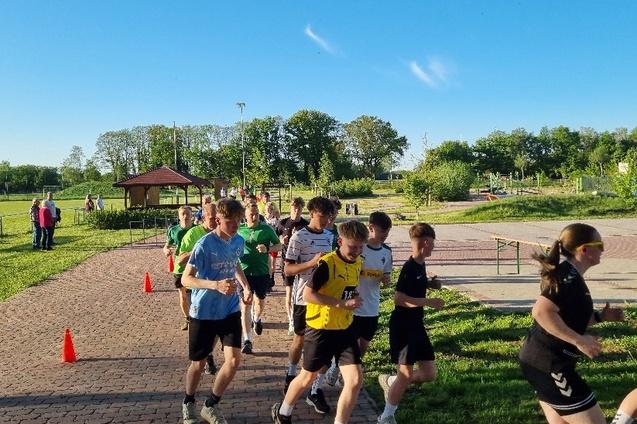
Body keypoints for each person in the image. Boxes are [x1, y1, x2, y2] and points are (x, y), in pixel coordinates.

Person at [518, 223, 624, 424]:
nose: (603, 250)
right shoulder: (568, 277)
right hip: (550, 365)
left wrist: (601, 316)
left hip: (543, 362)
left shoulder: (572, 275)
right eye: (600, 245)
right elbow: (541, 311)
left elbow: (567, 317)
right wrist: (579, 340)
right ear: (584, 250)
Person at [272, 220, 368, 424]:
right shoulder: (327, 264)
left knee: (355, 380)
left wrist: (353, 296)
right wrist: (341, 303)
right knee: (307, 377)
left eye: (361, 247)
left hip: (345, 328)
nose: (357, 252)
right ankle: (283, 412)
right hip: (321, 329)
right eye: (353, 247)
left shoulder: (359, 262)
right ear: (340, 241)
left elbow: (347, 287)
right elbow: (308, 295)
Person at [181, 199, 253, 424]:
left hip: (229, 309)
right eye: (230, 222)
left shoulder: (238, 240)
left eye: (238, 221)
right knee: (199, 363)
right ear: (218, 220)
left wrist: (245, 286)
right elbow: (186, 279)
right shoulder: (204, 244)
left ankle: (210, 405)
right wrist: (215, 285)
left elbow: (234, 262)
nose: (235, 226)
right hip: (204, 312)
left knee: (233, 361)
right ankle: (188, 402)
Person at [377, 222, 444, 424]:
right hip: (403, 326)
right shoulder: (409, 267)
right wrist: (428, 302)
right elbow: (398, 298)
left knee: (429, 374)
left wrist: (430, 284)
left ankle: (391, 381)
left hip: (417, 325)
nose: (434, 247)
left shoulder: (420, 264)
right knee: (405, 374)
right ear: (426, 243)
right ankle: (386, 417)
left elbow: (415, 285)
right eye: (433, 243)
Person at [326, 211, 394, 387]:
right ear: (371, 228)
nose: (385, 235)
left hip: (372, 306)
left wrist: (386, 279)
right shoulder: (359, 248)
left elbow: (386, 274)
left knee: (363, 346)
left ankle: (342, 369)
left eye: (387, 232)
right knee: (349, 344)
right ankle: (338, 368)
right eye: (382, 231)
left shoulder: (387, 252)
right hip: (352, 305)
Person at [282, 196, 336, 414]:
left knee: (324, 345)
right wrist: (312, 263)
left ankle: (315, 390)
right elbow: (288, 270)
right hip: (303, 299)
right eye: (323, 216)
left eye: (329, 217)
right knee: (300, 339)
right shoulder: (299, 236)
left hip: (324, 299)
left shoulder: (330, 236)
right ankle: (291, 373)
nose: (326, 221)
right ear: (312, 213)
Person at [178, 203, 219, 376]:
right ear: (203, 218)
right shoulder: (193, 234)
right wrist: (195, 251)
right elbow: (180, 259)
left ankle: (208, 352)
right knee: (203, 328)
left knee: (217, 328)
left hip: (218, 288)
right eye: (212, 219)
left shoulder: (222, 233)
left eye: (218, 218)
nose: (216, 222)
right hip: (198, 289)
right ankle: (203, 356)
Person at [237, 203, 282, 354]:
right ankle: (247, 340)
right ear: (245, 215)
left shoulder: (266, 229)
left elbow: (279, 245)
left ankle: (257, 318)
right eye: (251, 214)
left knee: (260, 301)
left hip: (261, 272)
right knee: (245, 305)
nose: (254, 216)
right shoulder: (239, 230)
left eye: (256, 214)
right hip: (244, 273)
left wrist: (267, 249)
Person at [276, 197, 309, 335]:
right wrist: (281, 240)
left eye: (299, 208)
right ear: (290, 208)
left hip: (301, 264)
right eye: (294, 208)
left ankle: (301, 320)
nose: (296, 211)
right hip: (287, 262)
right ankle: (291, 321)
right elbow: (274, 239)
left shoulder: (306, 224)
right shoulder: (282, 223)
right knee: (289, 293)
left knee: (301, 293)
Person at [162, 206, 194, 331]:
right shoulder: (174, 230)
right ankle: (187, 319)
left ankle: (197, 318)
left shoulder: (196, 229)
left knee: (195, 294)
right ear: (179, 216)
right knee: (183, 295)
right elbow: (166, 246)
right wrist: (166, 250)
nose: (185, 216)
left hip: (194, 266)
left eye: (187, 214)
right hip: (179, 267)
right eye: (183, 214)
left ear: (192, 216)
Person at [264, 201, 281, 290]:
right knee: (266, 263)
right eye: (268, 209)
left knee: (273, 264)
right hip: (265, 243)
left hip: (273, 244)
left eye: (271, 209)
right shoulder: (262, 219)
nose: (269, 210)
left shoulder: (276, 220)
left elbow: (278, 230)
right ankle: (267, 280)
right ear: (265, 210)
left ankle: (271, 279)